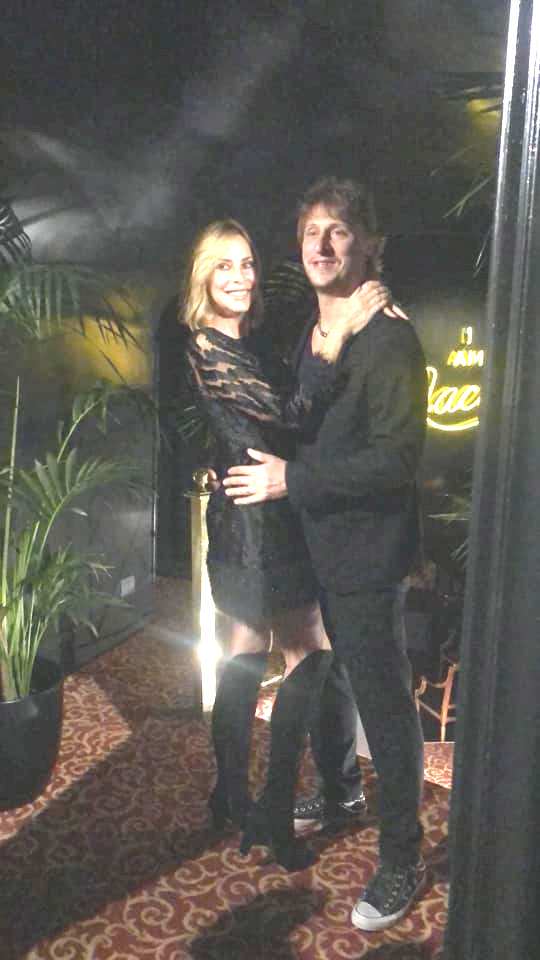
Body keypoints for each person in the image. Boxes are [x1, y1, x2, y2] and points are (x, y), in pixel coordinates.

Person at [223, 177, 427, 931]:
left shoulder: (391, 339)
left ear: (368, 245)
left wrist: (292, 479)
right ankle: (341, 790)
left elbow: (395, 463)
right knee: (327, 680)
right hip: (308, 545)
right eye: (312, 230)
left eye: (339, 230)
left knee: (384, 703)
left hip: (366, 557)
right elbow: (290, 416)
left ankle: (402, 856)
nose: (322, 244)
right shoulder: (306, 333)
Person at [181, 218, 394, 872]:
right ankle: (272, 808)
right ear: (203, 278)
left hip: (255, 515)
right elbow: (291, 414)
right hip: (259, 525)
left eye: (246, 263)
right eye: (224, 265)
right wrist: (340, 333)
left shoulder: (243, 341)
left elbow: (256, 421)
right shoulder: (208, 344)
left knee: (246, 651)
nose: (240, 277)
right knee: (310, 647)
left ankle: (231, 795)